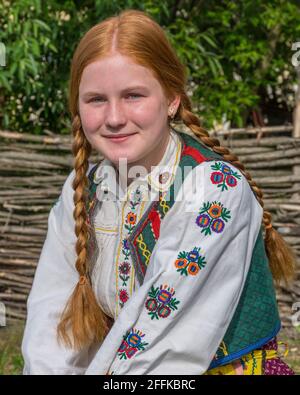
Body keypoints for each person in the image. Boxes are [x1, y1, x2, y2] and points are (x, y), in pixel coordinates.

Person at [21, 9, 296, 375]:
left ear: (172, 99)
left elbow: (160, 350)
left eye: (134, 95)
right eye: (96, 99)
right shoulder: (83, 188)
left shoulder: (213, 191)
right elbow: (51, 317)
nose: (115, 117)